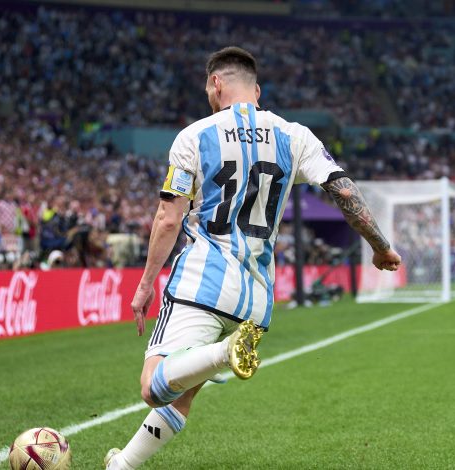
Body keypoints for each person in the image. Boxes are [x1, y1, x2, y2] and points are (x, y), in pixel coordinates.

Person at [105, 47, 402, 470]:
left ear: (216, 83)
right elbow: (343, 190)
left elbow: (168, 218)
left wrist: (144, 283)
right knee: (184, 391)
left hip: (202, 283)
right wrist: (379, 245)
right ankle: (122, 465)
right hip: (256, 300)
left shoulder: (195, 136)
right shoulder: (294, 135)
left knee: (155, 387)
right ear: (257, 90)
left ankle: (225, 354)